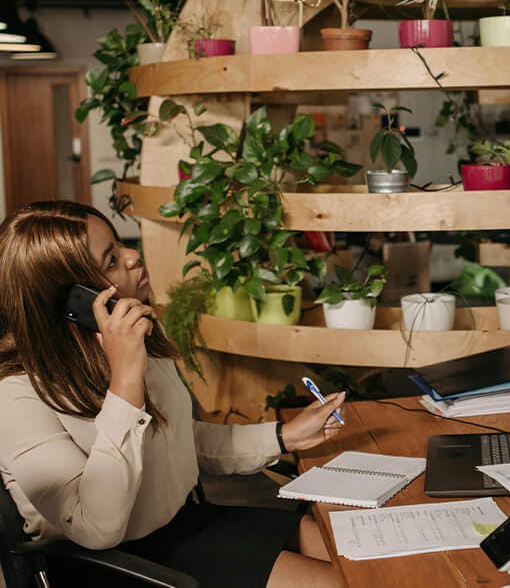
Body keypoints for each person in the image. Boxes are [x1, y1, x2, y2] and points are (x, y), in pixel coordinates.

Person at [0, 200, 346, 587]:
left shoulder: (140, 335)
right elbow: (98, 528)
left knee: (354, 549)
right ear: (71, 302)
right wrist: (126, 381)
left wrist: (284, 435)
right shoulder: (17, 397)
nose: (133, 256)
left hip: (183, 525)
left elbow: (180, 438)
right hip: (109, 563)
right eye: (111, 260)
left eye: (120, 244)